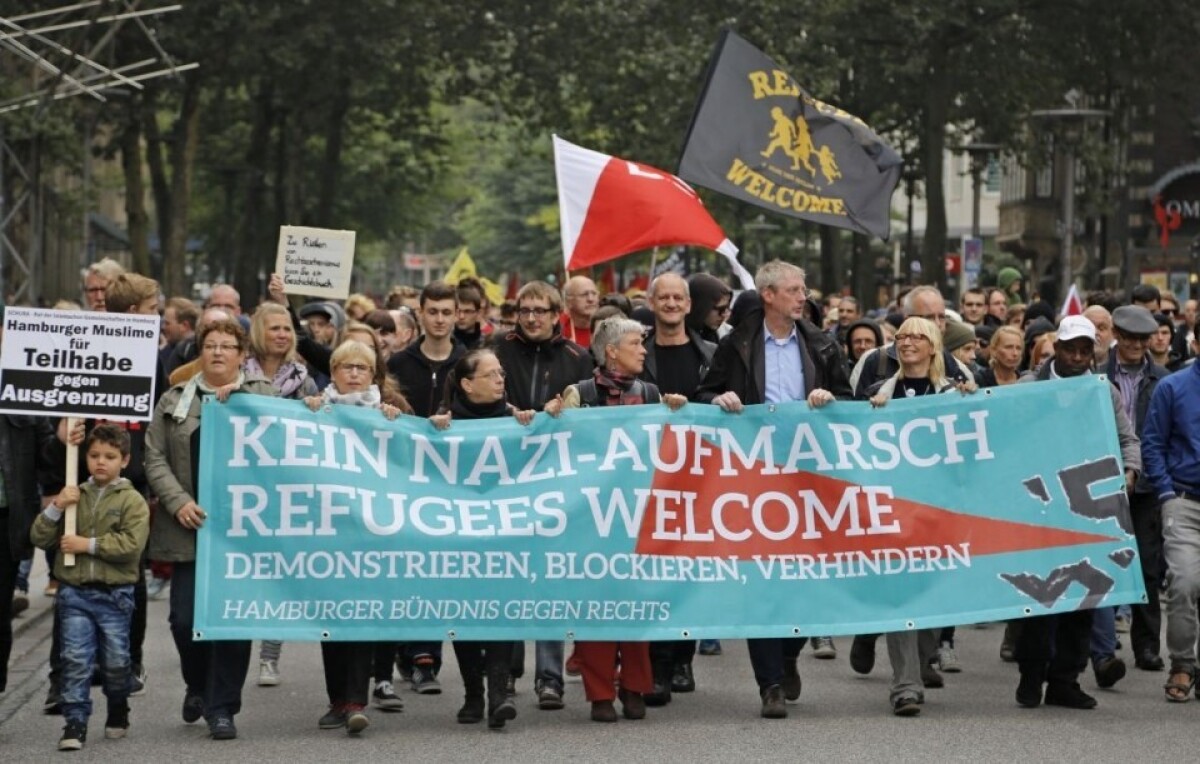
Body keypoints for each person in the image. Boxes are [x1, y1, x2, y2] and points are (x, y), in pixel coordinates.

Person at [695, 260, 850, 719]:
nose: (803, 297)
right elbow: (704, 394)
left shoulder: (821, 343)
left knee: (811, 579)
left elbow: (848, 401)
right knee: (763, 580)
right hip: (753, 479)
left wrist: (830, 400)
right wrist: (718, 399)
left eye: (803, 290)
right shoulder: (737, 343)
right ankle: (771, 684)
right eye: (794, 290)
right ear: (768, 295)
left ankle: (788, 652)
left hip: (809, 478)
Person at [545, 317, 687, 722]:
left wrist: (676, 413)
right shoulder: (579, 395)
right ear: (610, 351)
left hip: (637, 516)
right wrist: (548, 417)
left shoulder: (653, 394)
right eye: (635, 343)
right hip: (591, 518)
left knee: (636, 604)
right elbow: (555, 450)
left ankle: (635, 687)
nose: (643, 350)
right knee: (595, 608)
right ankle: (600, 693)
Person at [145, 317, 277, 741]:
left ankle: (223, 708)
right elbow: (154, 457)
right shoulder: (174, 400)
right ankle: (198, 685)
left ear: (242, 356)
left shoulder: (263, 397)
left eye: (227, 346)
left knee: (232, 622)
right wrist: (178, 501)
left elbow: (287, 445)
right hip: (189, 529)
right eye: (210, 346)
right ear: (200, 353)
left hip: (241, 533)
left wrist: (241, 405)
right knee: (184, 620)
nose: (218, 352)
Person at [1014, 315, 1140, 710]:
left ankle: (1065, 680)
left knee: (1085, 593)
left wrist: (1131, 470)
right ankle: (1031, 675)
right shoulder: (1026, 389)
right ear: (1056, 348)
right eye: (1071, 348)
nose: (1078, 356)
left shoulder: (1104, 391)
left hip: (1086, 507)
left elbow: (1126, 438)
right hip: (1039, 505)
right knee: (1039, 594)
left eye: (1086, 350)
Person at [865, 317, 977, 716]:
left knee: (937, 598)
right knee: (902, 598)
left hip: (940, 511)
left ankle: (922, 657)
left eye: (917, 336)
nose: (907, 342)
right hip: (894, 511)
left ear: (933, 347)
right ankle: (905, 686)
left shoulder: (954, 392)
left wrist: (970, 404)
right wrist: (867, 413)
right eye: (901, 336)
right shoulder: (878, 393)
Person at [492, 280, 593, 710]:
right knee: (508, 575)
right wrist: (505, 414)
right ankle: (508, 670)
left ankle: (549, 678)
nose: (532, 317)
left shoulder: (578, 357)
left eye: (541, 310)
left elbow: (591, 416)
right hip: (502, 477)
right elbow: (467, 397)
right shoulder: (495, 350)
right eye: (525, 310)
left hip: (557, 481)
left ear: (557, 315)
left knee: (549, 577)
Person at [302, 340, 403, 735]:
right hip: (329, 532)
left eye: (362, 368)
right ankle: (337, 700)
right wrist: (305, 414)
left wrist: (395, 422)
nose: (355, 374)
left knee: (361, 617)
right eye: (347, 368)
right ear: (334, 372)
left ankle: (356, 701)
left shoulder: (389, 410)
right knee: (332, 620)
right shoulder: (315, 408)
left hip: (371, 533)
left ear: (373, 374)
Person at [431, 348, 534, 729]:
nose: (501, 380)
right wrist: (430, 432)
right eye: (491, 375)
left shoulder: (517, 420)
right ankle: (473, 693)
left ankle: (497, 695)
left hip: (505, 537)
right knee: (465, 617)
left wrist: (533, 424)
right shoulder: (443, 425)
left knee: (502, 613)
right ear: (467, 384)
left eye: (502, 373)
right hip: (459, 538)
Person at [31, 425, 149, 751]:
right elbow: (39, 537)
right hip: (75, 592)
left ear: (124, 460)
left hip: (115, 595)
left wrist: (87, 545)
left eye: (110, 457)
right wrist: (55, 508)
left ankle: (117, 705)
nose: (101, 462)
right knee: (76, 658)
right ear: (85, 457)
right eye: (95, 455)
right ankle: (75, 720)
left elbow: (131, 545)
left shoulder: (132, 501)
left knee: (116, 661)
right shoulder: (73, 495)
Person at [634, 273, 715, 705]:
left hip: (697, 476)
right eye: (662, 296)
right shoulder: (633, 349)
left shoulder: (712, 354)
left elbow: (729, 399)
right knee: (652, 568)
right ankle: (657, 664)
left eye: (677, 297)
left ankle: (681, 656)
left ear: (688, 305)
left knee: (688, 568)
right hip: (644, 476)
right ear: (651, 301)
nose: (669, 303)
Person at [381, 281, 463, 696]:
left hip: (453, 482)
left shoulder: (469, 361)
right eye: (433, 312)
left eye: (448, 312)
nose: (440, 319)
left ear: (457, 315)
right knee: (409, 566)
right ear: (421, 313)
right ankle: (410, 649)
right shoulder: (398, 362)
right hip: (403, 478)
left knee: (439, 567)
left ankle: (426, 658)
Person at [242, 303, 320, 688]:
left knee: (278, 572)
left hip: (287, 490)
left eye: (287, 328)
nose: (283, 335)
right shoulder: (238, 376)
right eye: (274, 328)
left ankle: (269, 656)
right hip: (243, 488)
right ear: (258, 332)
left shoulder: (304, 381)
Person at [1105, 306, 1170, 674]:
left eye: (1141, 339)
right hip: (1098, 480)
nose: (1134, 345)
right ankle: (1098, 645)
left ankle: (1146, 647)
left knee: (1146, 567)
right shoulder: (1097, 374)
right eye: (1127, 337)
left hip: (1145, 486)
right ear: (1115, 333)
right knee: (1097, 563)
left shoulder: (1163, 379)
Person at [1142, 330, 1200, 703]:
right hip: (1184, 500)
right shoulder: (1173, 387)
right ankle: (1182, 662)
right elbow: (1152, 442)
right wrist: (1165, 492)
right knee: (1183, 583)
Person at [685, 273, 732, 345]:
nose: (724, 315)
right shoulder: (675, 338)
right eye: (720, 309)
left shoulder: (728, 333)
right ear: (702, 308)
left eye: (727, 307)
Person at [560, 276, 599, 347]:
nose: (591, 299)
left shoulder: (607, 324)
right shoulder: (558, 328)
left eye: (594, 293)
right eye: (584, 294)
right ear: (569, 301)